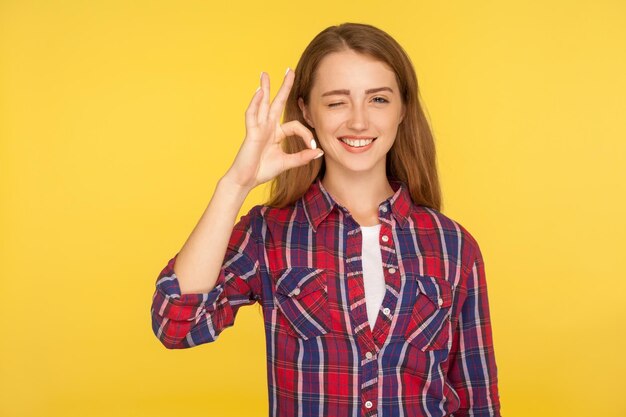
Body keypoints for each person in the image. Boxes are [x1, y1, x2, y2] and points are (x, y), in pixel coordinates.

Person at [150, 22, 501, 417]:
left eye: (378, 100)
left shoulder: (453, 246)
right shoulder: (270, 234)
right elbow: (176, 323)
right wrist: (235, 184)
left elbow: (477, 402)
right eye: (336, 102)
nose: (358, 122)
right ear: (306, 111)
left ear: (403, 108)